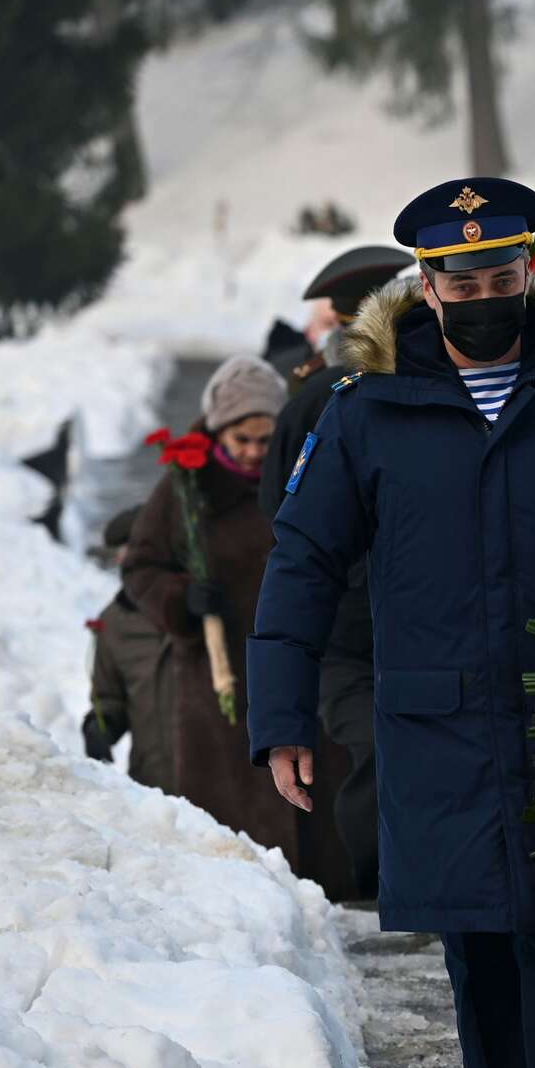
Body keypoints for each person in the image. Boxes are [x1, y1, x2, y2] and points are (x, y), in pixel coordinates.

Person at [248, 178, 535, 1068]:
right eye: (461, 280)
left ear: (529, 273)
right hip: (436, 741)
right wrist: (281, 716)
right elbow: (303, 559)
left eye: (499, 274)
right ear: (429, 288)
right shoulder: (366, 413)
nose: (482, 296)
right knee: (481, 979)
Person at [259, 244, 416, 899]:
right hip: (362, 622)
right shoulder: (335, 397)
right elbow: (292, 521)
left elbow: (281, 515)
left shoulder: (321, 393)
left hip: (367, 617)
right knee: (383, 751)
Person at [122, 355, 319, 867]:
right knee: (233, 808)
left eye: (265, 438)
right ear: (218, 433)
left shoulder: (308, 475)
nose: (255, 453)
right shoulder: (185, 489)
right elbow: (142, 565)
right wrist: (180, 597)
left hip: (298, 655)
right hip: (218, 672)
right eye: (242, 440)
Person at [82, 505, 176, 789]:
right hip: (159, 794)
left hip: (226, 786)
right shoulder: (114, 623)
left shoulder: (206, 611)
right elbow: (111, 699)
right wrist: (100, 726)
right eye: (125, 555)